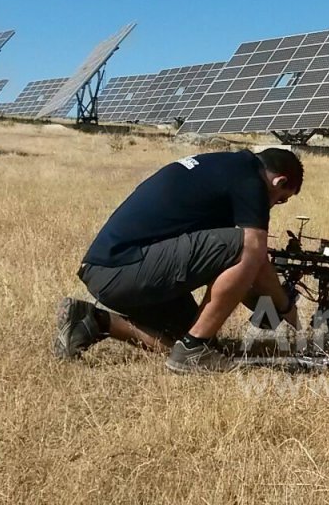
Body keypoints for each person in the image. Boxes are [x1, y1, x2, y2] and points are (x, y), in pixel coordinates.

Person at [53, 147, 304, 373]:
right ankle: (194, 347)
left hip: (111, 271)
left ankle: (93, 321)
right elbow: (254, 256)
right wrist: (287, 309)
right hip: (124, 269)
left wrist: (268, 310)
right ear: (279, 181)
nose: (275, 205)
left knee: (189, 340)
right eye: (281, 199)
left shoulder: (224, 167)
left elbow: (242, 276)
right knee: (247, 245)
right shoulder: (250, 179)